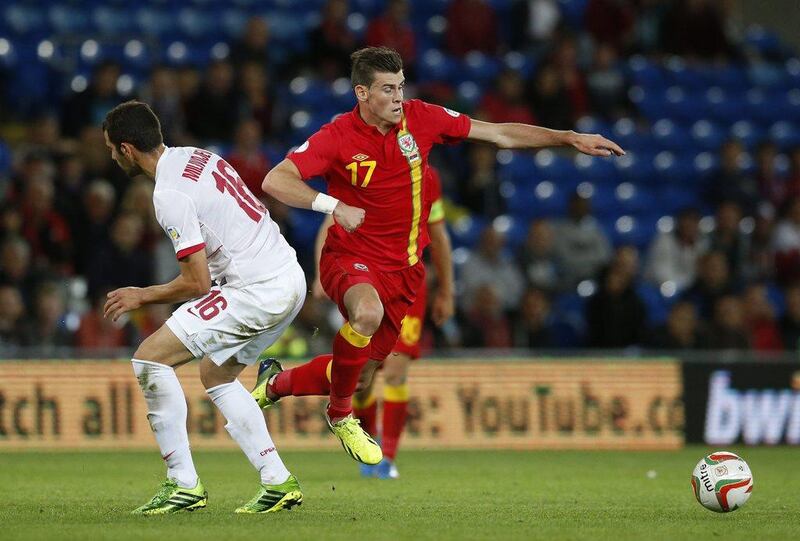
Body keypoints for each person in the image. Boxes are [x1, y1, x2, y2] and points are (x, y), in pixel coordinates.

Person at [249, 46, 623, 465]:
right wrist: (331, 205)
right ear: (361, 93)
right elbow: (274, 179)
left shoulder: (422, 118)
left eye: (401, 86)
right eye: (388, 89)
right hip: (349, 257)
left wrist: (568, 138)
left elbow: (498, 133)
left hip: (404, 271)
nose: (398, 97)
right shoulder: (336, 137)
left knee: (361, 374)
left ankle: (277, 383)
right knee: (365, 317)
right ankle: (340, 416)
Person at [100, 101, 305, 515]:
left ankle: (183, 485)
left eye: (110, 149)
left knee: (150, 360)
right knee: (216, 373)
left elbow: (197, 283)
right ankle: (277, 480)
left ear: (126, 149)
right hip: (288, 275)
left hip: (256, 289)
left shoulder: (169, 194)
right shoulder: (198, 155)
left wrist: (141, 295)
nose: (110, 156)